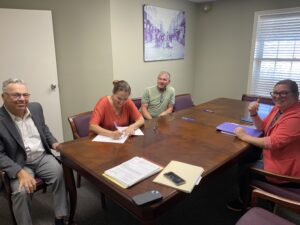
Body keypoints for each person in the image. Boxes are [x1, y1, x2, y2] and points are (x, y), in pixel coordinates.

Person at [0, 78, 68, 225]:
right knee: (21, 192)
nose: (22, 99)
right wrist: (19, 172)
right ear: (3, 96)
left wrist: (54, 143)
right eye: (16, 95)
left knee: (59, 173)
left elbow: (43, 128)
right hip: (19, 163)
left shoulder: (36, 107)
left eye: (25, 95)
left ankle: (60, 216)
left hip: (41, 157)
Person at [227, 79, 300, 211]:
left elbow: (272, 143)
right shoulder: (278, 109)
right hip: (277, 154)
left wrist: (244, 136)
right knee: (247, 154)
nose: (278, 96)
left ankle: (244, 202)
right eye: (275, 93)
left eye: (283, 93)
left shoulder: (296, 117)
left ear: (296, 95)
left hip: (287, 169)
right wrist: (253, 113)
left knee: (244, 167)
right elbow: (262, 127)